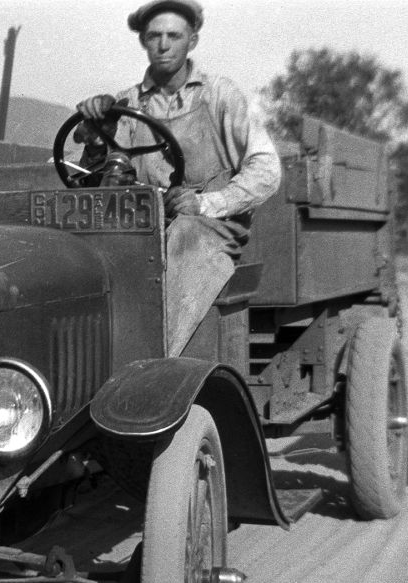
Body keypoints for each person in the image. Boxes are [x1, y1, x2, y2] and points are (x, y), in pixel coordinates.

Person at [76, 0, 281, 356]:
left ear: (193, 41)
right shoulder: (125, 104)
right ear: (143, 41)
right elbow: (98, 184)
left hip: (210, 230)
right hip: (140, 224)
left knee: (184, 237)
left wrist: (207, 204)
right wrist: (97, 137)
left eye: (174, 35)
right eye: (154, 36)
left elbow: (266, 169)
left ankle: (146, 361)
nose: (164, 44)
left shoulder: (219, 95)